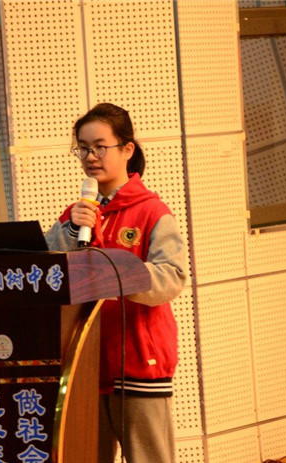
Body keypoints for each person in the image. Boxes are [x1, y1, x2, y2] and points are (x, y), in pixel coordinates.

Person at [45, 103, 187, 463]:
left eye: (100, 146)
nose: (90, 157)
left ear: (127, 149)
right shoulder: (76, 214)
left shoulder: (152, 211)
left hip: (138, 361)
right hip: (84, 363)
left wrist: (115, 275)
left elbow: (172, 277)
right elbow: (45, 272)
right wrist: (69, 231)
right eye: (82, 148)